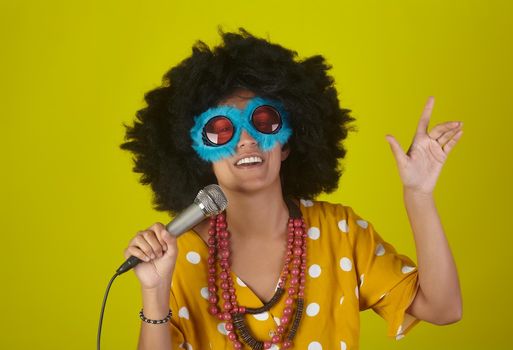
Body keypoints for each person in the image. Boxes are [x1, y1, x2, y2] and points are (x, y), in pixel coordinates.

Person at [121, 28, 463, 350]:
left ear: (286, 143)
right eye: (221, 129)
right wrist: (154, 290)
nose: (247, 139)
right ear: (199, 154)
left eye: (264, 121)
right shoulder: (178, 254)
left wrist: (418, 195)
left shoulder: (339, 232)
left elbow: (443, 308)